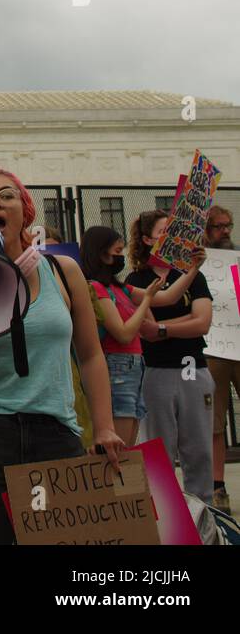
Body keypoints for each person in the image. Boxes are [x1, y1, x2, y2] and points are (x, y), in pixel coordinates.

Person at [0, 168, 121, 545]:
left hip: (55, 439)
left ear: (24, 211)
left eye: (6, 195)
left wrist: (104, 427)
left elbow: (90, 355)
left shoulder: (63, 271)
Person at [125, 209, 215, 502]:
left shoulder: (192, 276)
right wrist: (173, 326)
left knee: (199, 449)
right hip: (158, 371)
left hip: (193, 368)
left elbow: (202, 322)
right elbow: (147, 329)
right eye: (164, 232)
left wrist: (164, 327)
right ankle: (165, 516)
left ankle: (204, 513)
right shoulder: (137, 278)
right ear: (149, 239)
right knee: (160, 451)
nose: (172, 238)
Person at [79, 226, 163, 447]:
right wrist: (145, 302)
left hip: (134, 366)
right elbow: (124, 333)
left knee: (131, 444)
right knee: (121, 448)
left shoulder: (120, 288)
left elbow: (168, 296)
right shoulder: (96, 288)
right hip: (117, 366)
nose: (120, 256)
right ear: (101, 252)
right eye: (117, 251)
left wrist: (192, 270)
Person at [204, 205, 237, 513]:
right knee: (214, 423)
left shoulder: (237, 259)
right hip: (212, 348)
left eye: (228, 226)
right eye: (218, 226)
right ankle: (218, 487)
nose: (225, 231)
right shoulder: (198, 263)